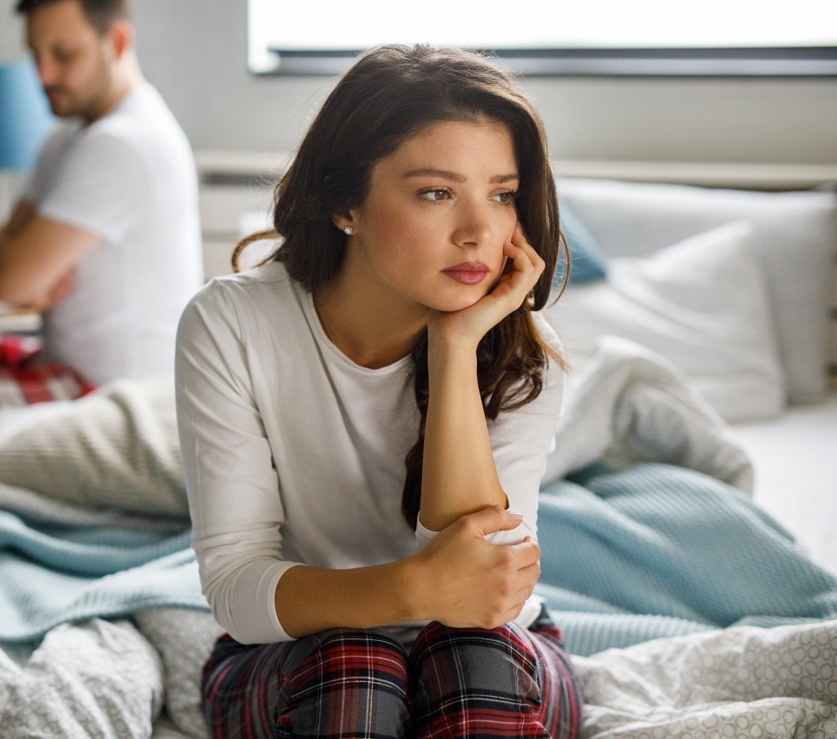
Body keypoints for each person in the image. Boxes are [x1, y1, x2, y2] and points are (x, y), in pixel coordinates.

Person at [175, 45, 582, 738]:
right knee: (355, 666)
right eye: (436, 192)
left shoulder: (522, 353)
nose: (479, 232)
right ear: (345, 203)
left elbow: (490, 593)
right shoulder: (231, 323)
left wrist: (455, 349)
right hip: (292, 655)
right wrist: (413, 587)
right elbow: (238, 588)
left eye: (502, 193)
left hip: (491, 650)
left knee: (470, 656)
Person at [0, 0, 202, 385]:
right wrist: (22, 269)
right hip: (61, 369)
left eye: (64, 55)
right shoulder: (67, 135)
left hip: (109, 394)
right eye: (36, 55)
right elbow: (6, 275)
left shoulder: (120, 143)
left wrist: (26, 271)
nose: (44, 75)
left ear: (117, 41)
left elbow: (8, 282)